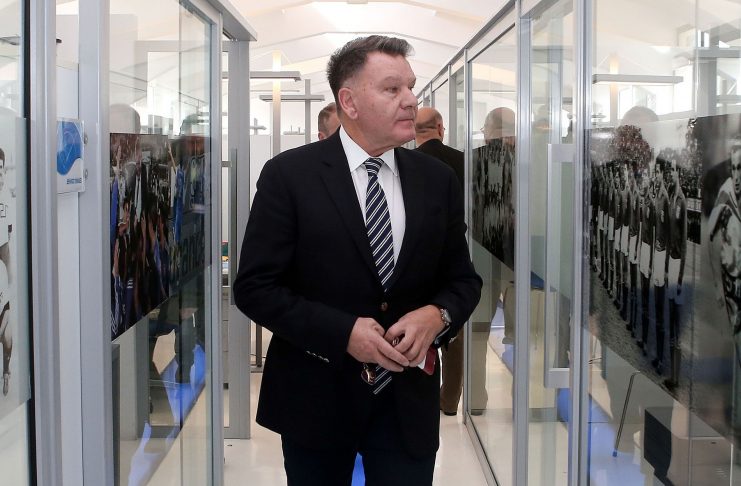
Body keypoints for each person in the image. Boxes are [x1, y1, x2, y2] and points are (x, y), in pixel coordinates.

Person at [233, 35, 482, 486]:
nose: (411, 100)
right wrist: (342, 332)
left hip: (407, 405)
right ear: (348, 101)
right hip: (316, 399)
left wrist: (438, 315)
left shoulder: (436, 180)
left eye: (410, 87)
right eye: (392, 89)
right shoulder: (289, 176)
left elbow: (463, 280)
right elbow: (254, 288)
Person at [414, 106, 464, 416]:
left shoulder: (407, 164)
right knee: (453, 333)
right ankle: (450, 400)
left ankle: (422, 393)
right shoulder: (462, 161)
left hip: (419, 264)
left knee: (419, 328)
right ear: (441, 128)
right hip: (456, 258)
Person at [664, 158, 686, 390]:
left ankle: (676, 377)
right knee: (671, 317)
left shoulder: (681, 200)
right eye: (668, 172)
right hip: (670, 260)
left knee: (676, 322)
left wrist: (679, 276)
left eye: (672, 172)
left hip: (677, 262)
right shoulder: (671, 198)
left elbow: (684, 243)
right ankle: (672, 374)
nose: (670, 175)